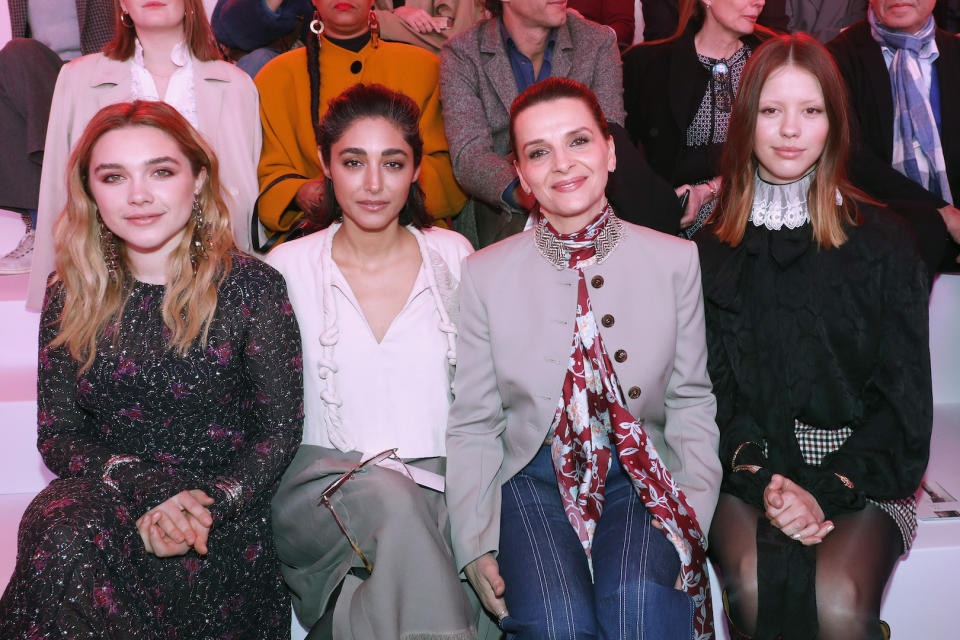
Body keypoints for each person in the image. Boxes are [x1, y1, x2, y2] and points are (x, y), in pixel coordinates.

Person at [0, 100, 303, 637]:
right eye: (113, 177)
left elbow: (278, 433)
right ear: (90, 193)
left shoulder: (252, 287)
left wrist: (200, 508)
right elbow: (60, 434)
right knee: (62, 528)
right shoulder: (70, 292)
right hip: (111, 495)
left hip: (219, 513)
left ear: (198, 178)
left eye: (160, 171)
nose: (138, 195)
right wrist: (150, 490)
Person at [446, 77, 722, 639]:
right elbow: (475, 421)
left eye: (578, 141)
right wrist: (473, 543)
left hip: (643, 469)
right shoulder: (483, 274)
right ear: (520, 174)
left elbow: (691, 399)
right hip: (531, 473)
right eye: (538, 152)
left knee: (637, 607)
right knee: (558, 625)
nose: (562, 165)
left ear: (610, 150)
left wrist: (691, 514)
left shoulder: (676, 261)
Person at [695, 34, 931, 640]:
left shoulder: (888, 241)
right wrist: (773, 482)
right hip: (747, 465)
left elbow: (902, 406)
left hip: (866, 465)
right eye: (771, 111)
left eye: (811, 110)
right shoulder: (709, 251)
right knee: (750, 586)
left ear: (835, 123)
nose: (790, 130)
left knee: (838, 600)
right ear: (746, 121)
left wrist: (825, 491)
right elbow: (714, 398)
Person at [265, 83, 486, 639]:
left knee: (431, 551)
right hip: (326, 493)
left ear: (415, 170)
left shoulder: (453, 255)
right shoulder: (286, 267)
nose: (372, 184)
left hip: (442, 487)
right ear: (325, 166)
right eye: (353, 162)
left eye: (392, 163)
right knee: (391, 498)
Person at [25, 0, 261, 310]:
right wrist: (53, 290)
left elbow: (246, 194)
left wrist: (252, 290)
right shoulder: (77, 79)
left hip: (213, 276)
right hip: (107, 280)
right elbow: (60, 189)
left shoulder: (236, 84)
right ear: (122, 3)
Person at [440, 0, 681, 248]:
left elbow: (609, 135)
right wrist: (533, 192)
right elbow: (470, 157)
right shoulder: (463, 53)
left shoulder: (595, 41)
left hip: (588, 194)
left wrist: (568, 191)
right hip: (507, 207)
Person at [255, 0, 466, 251]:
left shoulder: (425, 68)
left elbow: (448, 172)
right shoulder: (276, 79)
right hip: (313, 245)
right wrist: (299, 192)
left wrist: (386, 187)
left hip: (416, 241)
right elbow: (268, 172)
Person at [827, 0, 960, 269]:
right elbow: (849, 156)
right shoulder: (837, 57)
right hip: (874, 249)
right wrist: (940, 211)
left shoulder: (955, 53)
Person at [623, 0, 770, 238]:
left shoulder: (771, 60)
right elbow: (622, 157)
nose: (760, 2)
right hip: (676, 226)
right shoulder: (649, 66)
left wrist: (710, 190)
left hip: (759, 212)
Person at [0, 0, 115, 275]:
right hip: (46, 78)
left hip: (100, 72)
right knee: (14, 58)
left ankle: (54, 224)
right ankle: (46, 231)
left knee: (17, 53)